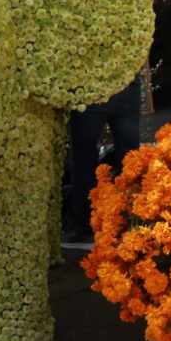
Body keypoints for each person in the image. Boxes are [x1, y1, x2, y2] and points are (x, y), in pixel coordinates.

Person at [62, 72, 143, 244]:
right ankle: (131, 221)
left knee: (84, 159)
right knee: (129, 159)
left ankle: (84, 224)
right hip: (124, 84)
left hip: (91, 85)